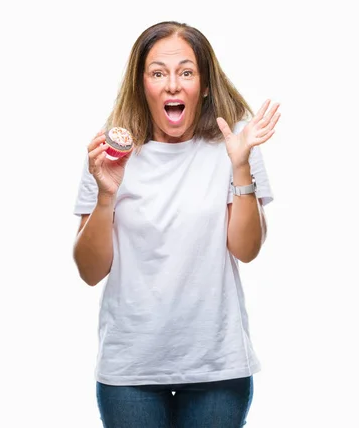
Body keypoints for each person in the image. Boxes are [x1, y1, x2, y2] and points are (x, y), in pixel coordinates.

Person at [72, 20, 280, 428]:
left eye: (186, 72)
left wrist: (240, 167)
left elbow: (247, 250)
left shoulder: (235, 142)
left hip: (216, 368)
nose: (172, 85)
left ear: (203, 84)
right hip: (130, 369)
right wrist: (106, 195)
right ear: (141, 83)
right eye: (158, 73)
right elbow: (90, 271)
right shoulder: (109, 153)